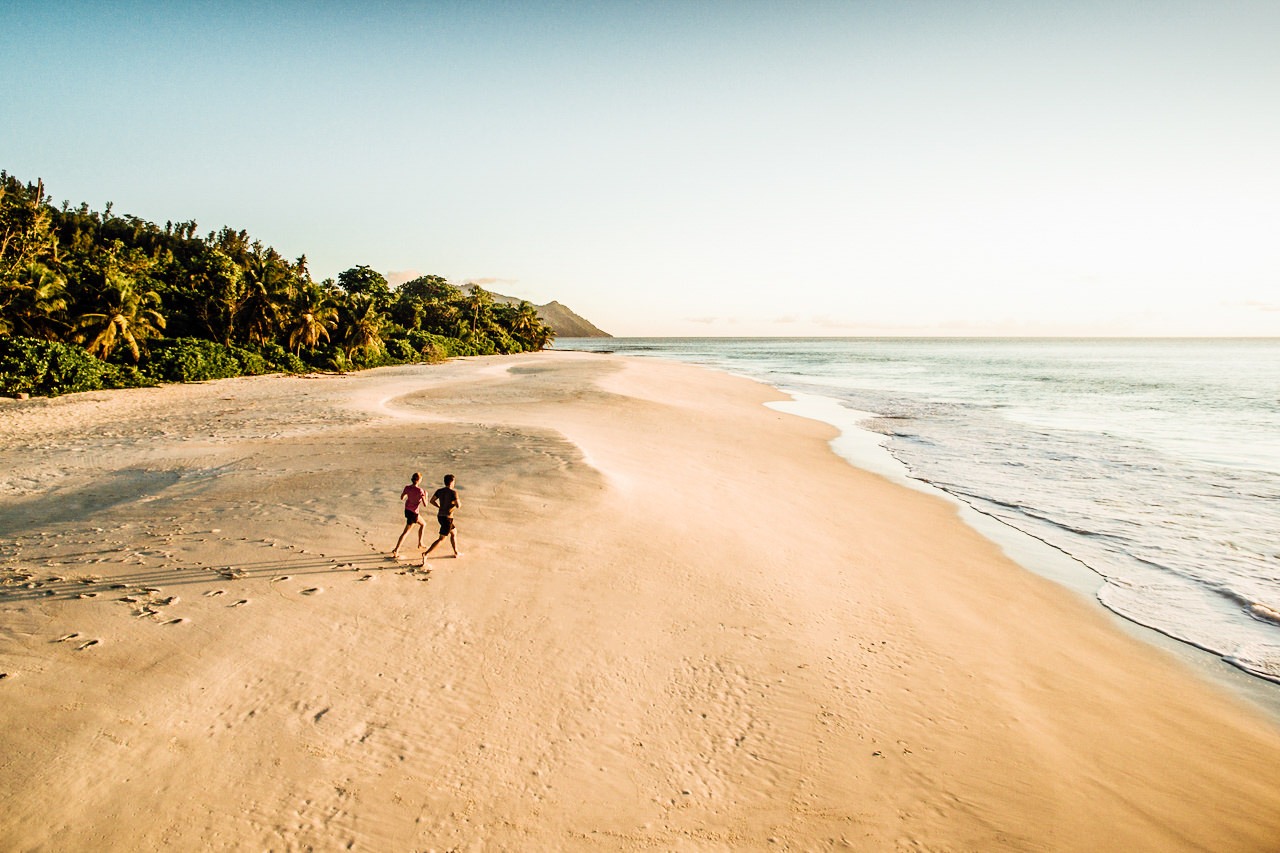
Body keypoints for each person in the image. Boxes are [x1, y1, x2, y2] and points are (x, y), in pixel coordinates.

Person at [423, 474, 461, 560]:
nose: (454, 483)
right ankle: (426, 553)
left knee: (454, 532)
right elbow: (458, 505)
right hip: (447, 518)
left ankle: (456, 552)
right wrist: (458, 502)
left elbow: (432, 501)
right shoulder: (453, 492)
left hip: (440, 516)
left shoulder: (439, 491)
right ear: (451, 482)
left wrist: (439, 506)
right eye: (454, 481)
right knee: (442, 539)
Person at [391, 472, 426, 559]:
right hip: (414, 513)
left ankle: (420, 543)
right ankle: (396, 549)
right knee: (406, 532)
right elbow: (425, 504)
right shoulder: (420, 491)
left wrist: (408, 495)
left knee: (423, 524)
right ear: (419, 480)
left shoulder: (407, 487)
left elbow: (402, 498)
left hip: (407, 511)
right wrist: (425, 496)